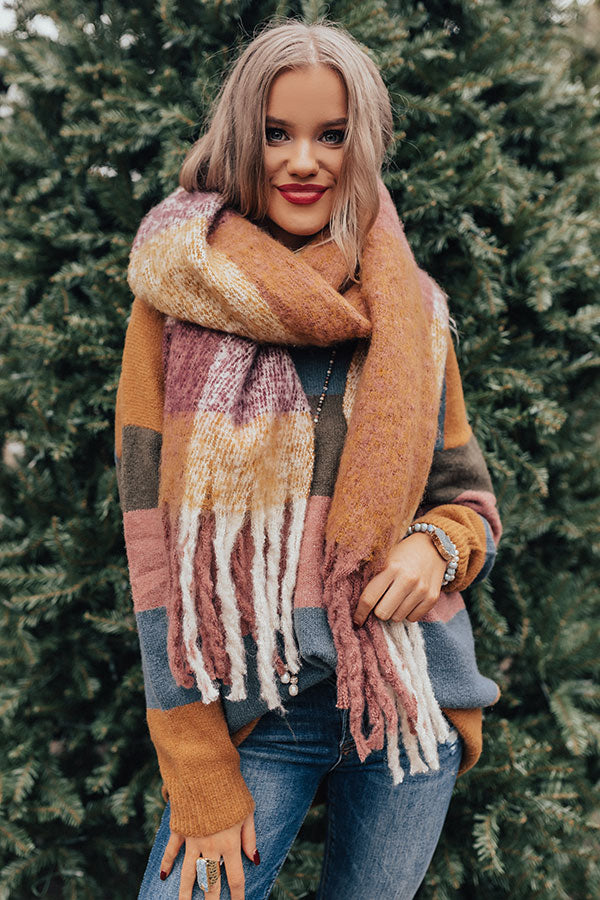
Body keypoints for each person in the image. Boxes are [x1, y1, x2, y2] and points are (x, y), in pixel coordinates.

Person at [114, 17, 503, 900]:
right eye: (276, 133)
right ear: (238, 138)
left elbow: (470, 503)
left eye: (332, 136)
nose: (303, 161)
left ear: (362, 146)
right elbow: (153, 560)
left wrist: (435, 548)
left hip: (407, 698)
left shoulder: (413, 309)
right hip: (259, 714)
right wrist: (196, 765)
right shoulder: (174, 300)